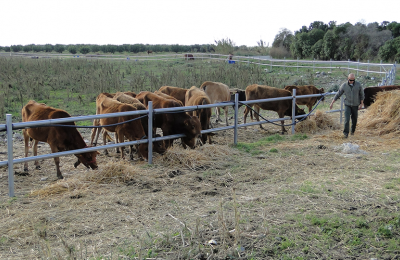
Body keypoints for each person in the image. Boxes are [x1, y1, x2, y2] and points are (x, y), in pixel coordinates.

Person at [329, 73, 364, 138]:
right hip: (347, 104)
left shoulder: (358, 85)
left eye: (353, 80)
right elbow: (338, 94)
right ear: (348, 79)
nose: (352, 81)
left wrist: (361, 104)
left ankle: (352, 131)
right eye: (350, 80)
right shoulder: (344, 85)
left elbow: (362, 94)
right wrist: (332, 103)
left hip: (355, 105)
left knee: (354, 120)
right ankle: (345, 134)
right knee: (347, 119)